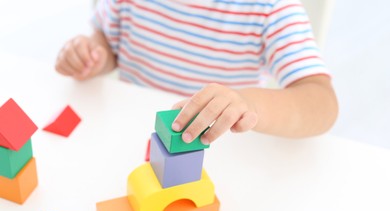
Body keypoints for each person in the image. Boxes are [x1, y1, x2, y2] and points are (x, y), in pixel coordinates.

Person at [55, 0, 338, 145]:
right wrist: (91, 55)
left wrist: (248, 105)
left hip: (221, 156)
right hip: (131, 139)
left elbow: (321, 103)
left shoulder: (271, 9)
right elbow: (108, 42)